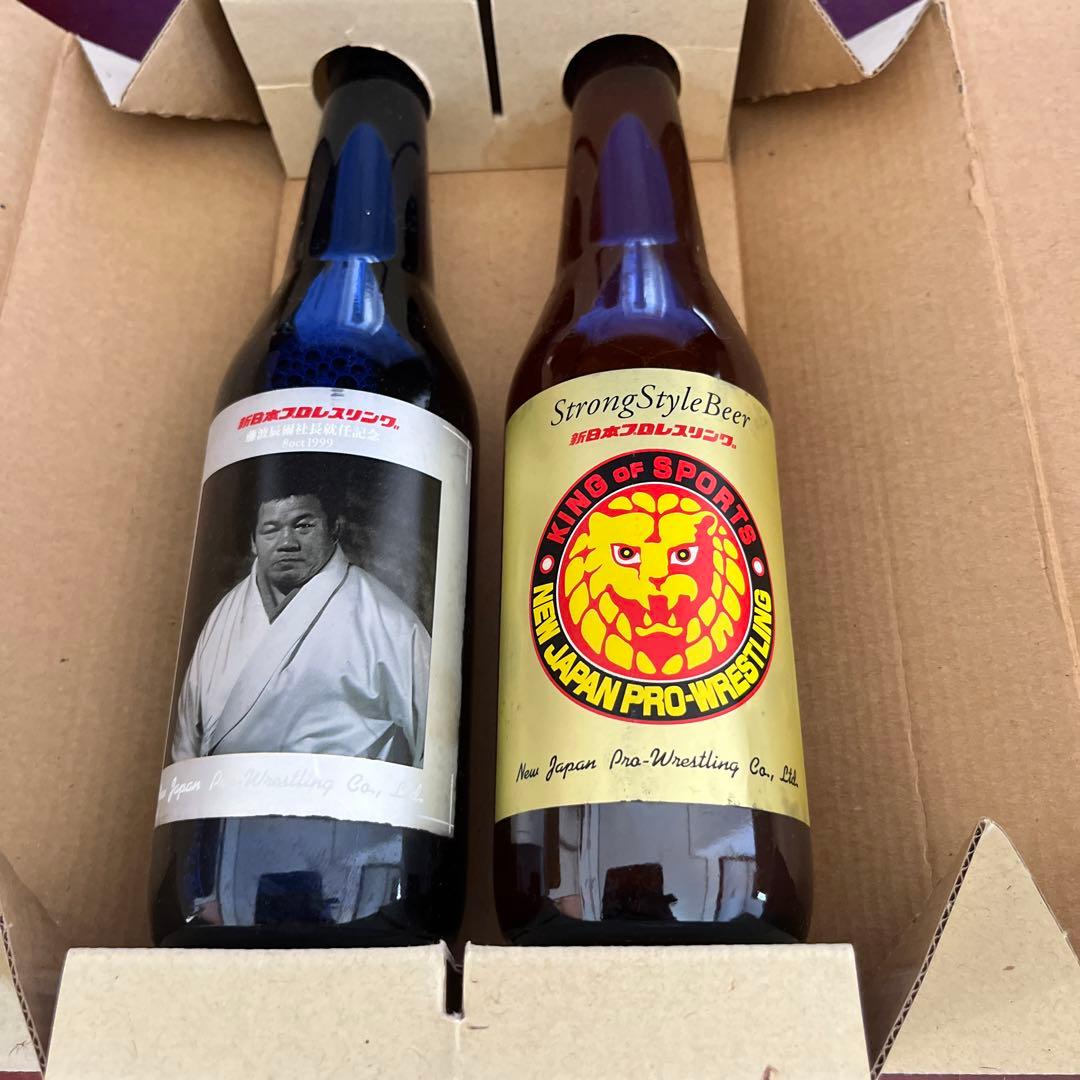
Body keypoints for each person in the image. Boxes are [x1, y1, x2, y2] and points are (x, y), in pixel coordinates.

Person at [171, 466, 431, 767]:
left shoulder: (390, 623)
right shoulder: (223, 617)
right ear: (253, 541)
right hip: (221, 792)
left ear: (335, 528)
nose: (287, 543)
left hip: (340, 794)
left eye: (303, 526)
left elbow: (433, 746)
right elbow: (186, 742)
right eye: (271, 529)